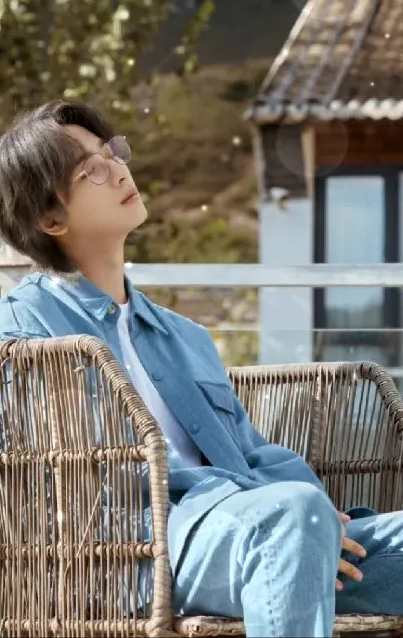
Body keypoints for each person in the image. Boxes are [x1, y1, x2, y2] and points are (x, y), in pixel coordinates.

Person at [0, 99, 401, 638]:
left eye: (112, 152)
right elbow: (74, 479)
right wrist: (280, 509)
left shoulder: (184, 335)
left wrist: (325, 518)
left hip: (260, 527)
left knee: (305, 517)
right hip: (144, 549)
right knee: (292, 517)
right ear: (50, 217)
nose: (119, 168)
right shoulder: (23, 331)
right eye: (89, 169)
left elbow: (252, 450)